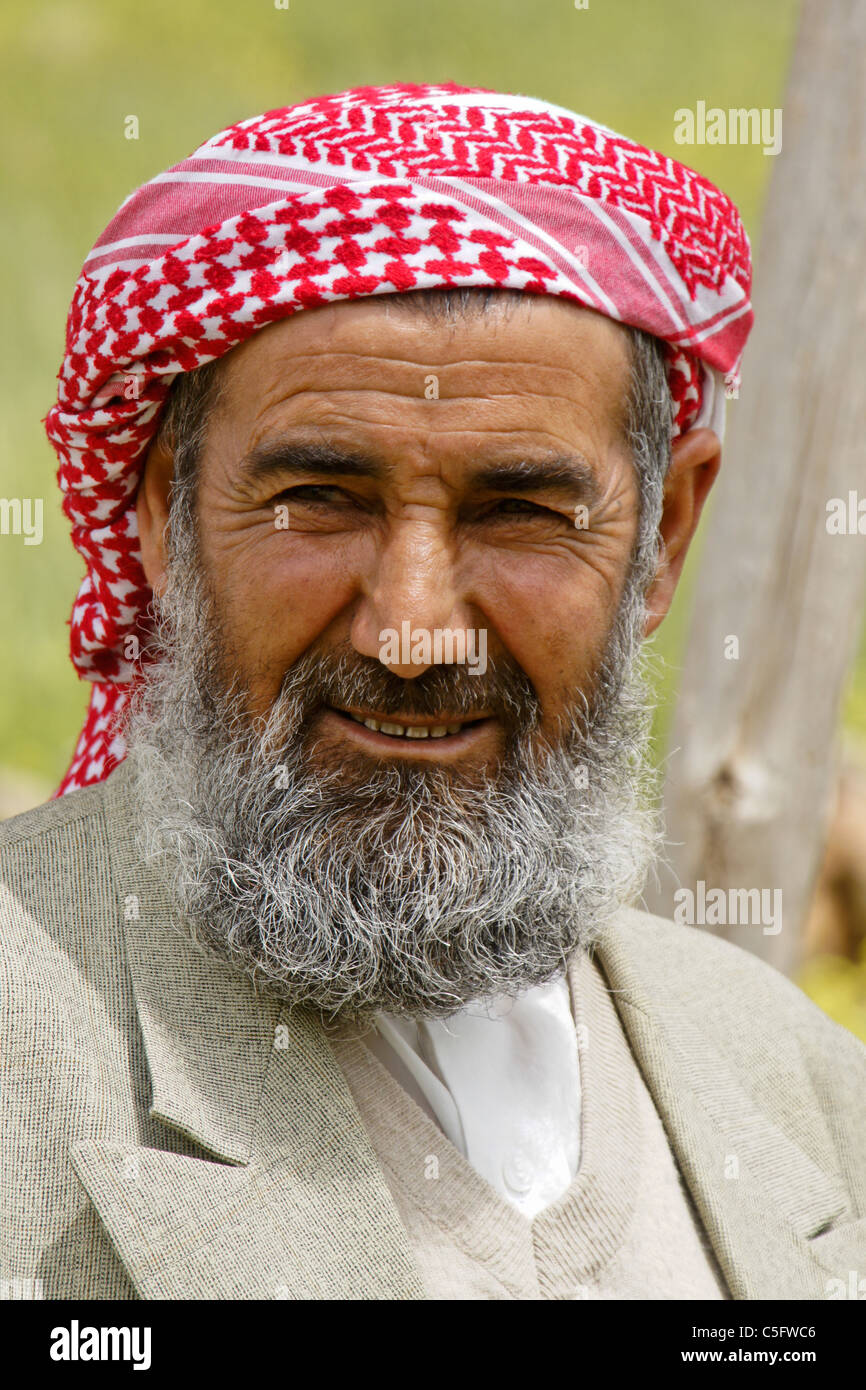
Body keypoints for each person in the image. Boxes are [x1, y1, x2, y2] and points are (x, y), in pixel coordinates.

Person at [2, 83, 863, 1302]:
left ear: (662, 533)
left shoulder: (796, 1087)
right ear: (161, 513)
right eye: (320, 498)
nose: (411, 632)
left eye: (516, 510)